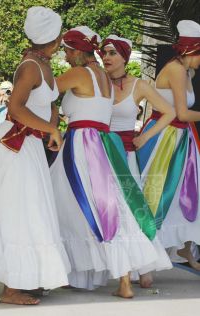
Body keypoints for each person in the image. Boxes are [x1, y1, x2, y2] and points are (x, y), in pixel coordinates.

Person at [50, 26, 167, 299]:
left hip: (82, 144)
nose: (65, 57)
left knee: (68, 204)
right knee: (110, 208)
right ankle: (121, 280)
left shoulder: (79, 73)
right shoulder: (104, 76)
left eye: (67, 50)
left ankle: (72, 270)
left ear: (78, 50)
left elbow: (44, 88)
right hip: (104, 145)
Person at [0, 6, 70, 305]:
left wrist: (49, 128)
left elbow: (42, 104)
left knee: (33, 208)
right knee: (18, 209)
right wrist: (52, 128)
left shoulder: (42, 64)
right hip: (14, 144)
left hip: (30, 144)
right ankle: (10, 288)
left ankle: (28, 277)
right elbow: (17, 109)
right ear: (55, 38)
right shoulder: (30, 67)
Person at [101, 34, 175, 287]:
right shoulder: (96, 81)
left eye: (112, 53)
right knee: (104, 208)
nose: (107, 57)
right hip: (99, 153)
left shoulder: (139, 85)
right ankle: (103, 267)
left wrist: (144, 137)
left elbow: (170, 112)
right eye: (104, 52)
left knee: (132, 209)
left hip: (125, 156)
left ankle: (144, 264)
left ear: (124, 56)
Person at [137, 20, 200, 270]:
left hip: (180, 138)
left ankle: (185, 248)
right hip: (165, 137)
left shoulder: (186, 71)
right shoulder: (176, 70)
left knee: (185, 193)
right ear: (191, 50)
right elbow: (182, 114)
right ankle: (144, 251)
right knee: (158, 194)